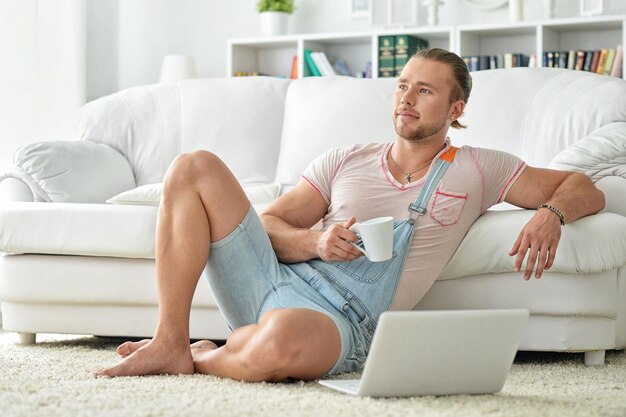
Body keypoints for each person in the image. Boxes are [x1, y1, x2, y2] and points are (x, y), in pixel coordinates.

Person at [95, 48, 605, 381]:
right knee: (192, 166)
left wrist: (552, 214)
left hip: (341, 321)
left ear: (456, 109)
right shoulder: (344, 159)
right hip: (270, 279)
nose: (406, 98)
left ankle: (202, 356)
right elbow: (268, 224)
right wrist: (315, 243)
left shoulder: (479, 169)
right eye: (402, 85)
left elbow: (583, 187)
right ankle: (169, 341)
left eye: (424, 90)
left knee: (282, 347)